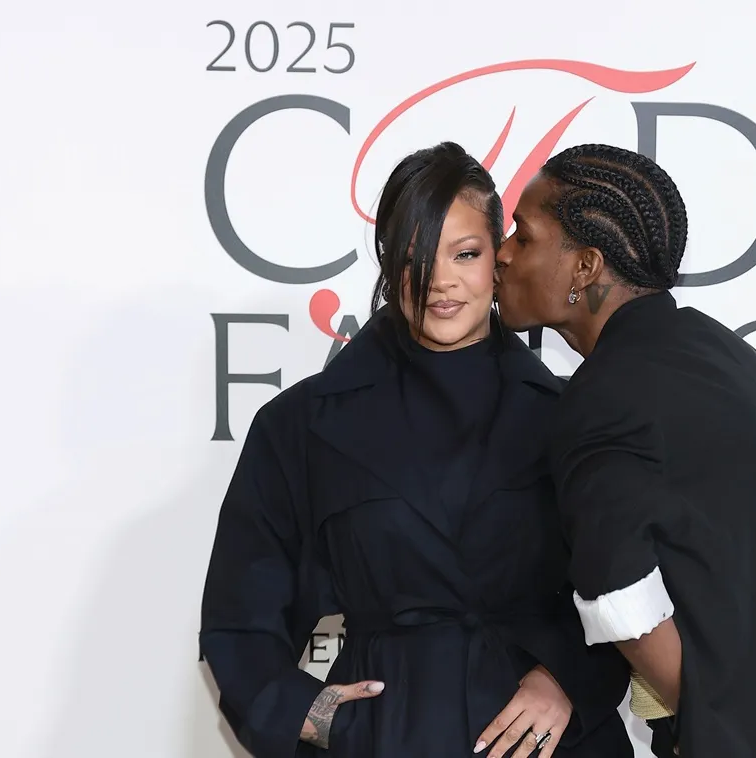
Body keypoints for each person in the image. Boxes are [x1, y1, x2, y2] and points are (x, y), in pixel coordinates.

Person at [199, 142, 633, 758]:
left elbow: (627, 585)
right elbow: (238, 612)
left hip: (545, 743)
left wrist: (565, 677)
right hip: (389, 733)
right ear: (385, 263)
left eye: (466, 253)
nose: (441, 282)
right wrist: (311, 714)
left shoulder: (570, 415)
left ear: (499, 258)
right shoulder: (302, 423)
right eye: (413, 258)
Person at [492, 143, 756, 758]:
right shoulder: (723, 352)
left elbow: (619, 602)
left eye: (523, 235)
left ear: (586, 266)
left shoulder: (603, 395)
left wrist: (711, 723)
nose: (502, 254)